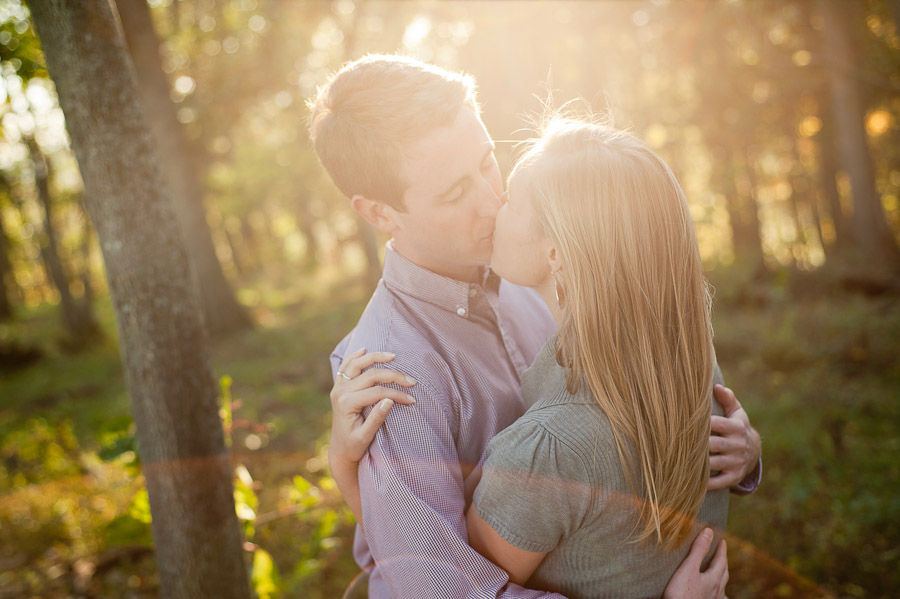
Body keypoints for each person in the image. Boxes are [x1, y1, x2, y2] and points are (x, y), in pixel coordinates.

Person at [309, 54, 761, 599]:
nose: (492, 200)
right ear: (379, 212)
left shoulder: (541, 266)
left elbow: (635, 403)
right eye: (455, 193)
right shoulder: (388, 377)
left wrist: (735, 447)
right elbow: (436, 589)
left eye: (487, 163)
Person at [464, 116, 728, 598]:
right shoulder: (692, 367)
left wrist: (352, 477)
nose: (493, 205)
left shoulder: (546, 452)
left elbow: (449, 586)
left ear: (557, 254)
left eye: (511, 201)